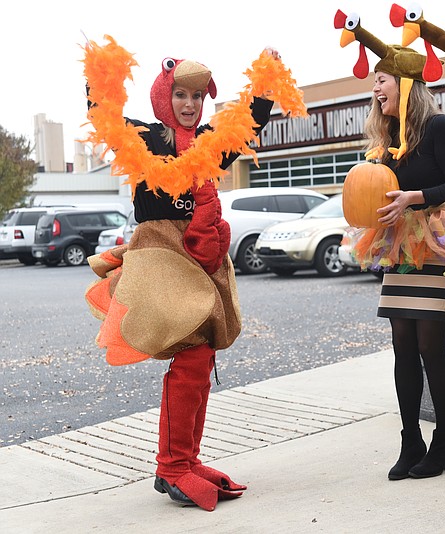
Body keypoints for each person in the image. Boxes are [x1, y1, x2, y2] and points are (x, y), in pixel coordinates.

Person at [82, 37, 297, 511]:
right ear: (164, 96)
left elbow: (245, 128)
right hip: (161, 253)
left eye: (198, 96)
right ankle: (173, 464)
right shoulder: (145, 139)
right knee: (192, 358)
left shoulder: (208, 146)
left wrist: (265, 83)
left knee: (198, 360)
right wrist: (99, 75)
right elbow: (104, 120)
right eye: (180, 94)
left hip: (201, 255)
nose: (189, 104)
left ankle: (182, 460)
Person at [334, 12, 445, 480]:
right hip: (399, 250)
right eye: (375, 81)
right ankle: (410, 440)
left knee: (432, 346)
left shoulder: (439, 128)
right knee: (402, 345)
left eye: (384, 80)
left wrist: (416, 197)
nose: (377, 88)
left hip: (434, 247)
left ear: (408, 85)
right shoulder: (388, 140)